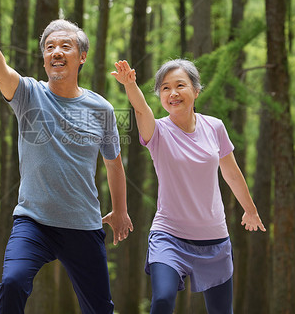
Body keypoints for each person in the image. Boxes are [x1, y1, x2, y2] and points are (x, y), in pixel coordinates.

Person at [0, 6, 133, 314]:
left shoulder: (101, 109)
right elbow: (2, 72)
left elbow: (113, 162)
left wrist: (120, 210)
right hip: (33, 222)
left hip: (83, 224)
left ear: (82, 57)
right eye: (50, 47)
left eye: (66, 46)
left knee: (100, 309)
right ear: (44, 59)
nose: (56, 52)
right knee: (12, 283)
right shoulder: (29, 94)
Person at [111, 59, 265, 314]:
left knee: (221, 311)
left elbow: (232, 173)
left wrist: (250, 210)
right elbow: (141, 110)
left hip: (213, 238)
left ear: (196, 90)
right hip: (169, 235)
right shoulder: (157, 131)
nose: (172, 93)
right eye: (165, 88)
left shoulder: (214, 127)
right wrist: (130, 85)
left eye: (180, 85)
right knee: (162, 299)